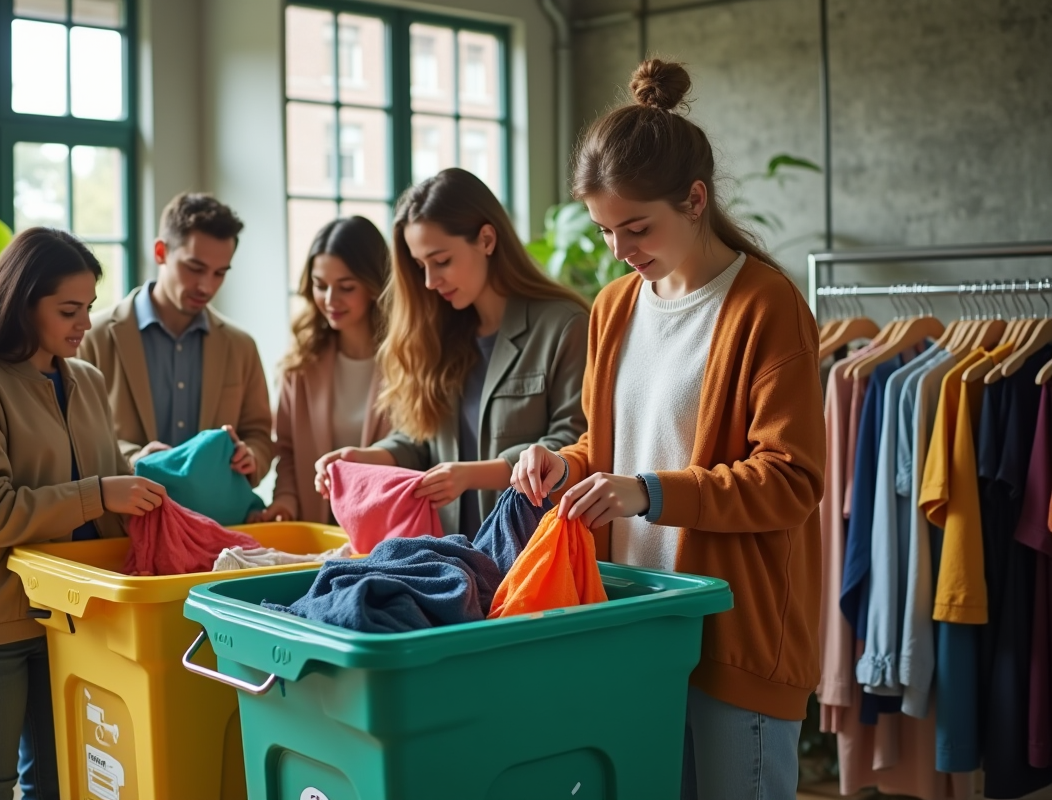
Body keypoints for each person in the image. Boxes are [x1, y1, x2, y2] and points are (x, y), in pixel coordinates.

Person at [511, 59, 825, 799]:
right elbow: (609, 448)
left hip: (734, 636)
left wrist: (646, 492)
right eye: (604, 229)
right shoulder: (616, 308)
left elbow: (791, 481)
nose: (619, 250)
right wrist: (565, 465)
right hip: (636, 625)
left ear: (694, 200)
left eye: (636, 227)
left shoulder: (765, 306)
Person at [0, 228, 166, 800]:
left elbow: (98, 467)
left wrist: (155, 466)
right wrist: (102, 491)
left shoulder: (86, 380)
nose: (85, 324)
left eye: (89, 309)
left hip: (69, 616)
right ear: (22, 305)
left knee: (58, 784)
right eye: (68, 310)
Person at [315, 167, 590, 537]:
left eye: (441, 261)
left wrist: (470, 474)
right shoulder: (438, 333)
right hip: (451, 557)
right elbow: (418, 436)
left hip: (532, 552)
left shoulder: (564, 325)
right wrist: (367, 457)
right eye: (420, 266)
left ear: (487, 239)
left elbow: (574, 443)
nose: (429, 281)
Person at [78, 191, 272, 487]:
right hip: (122, 521)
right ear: (160, 252)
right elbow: (76, 435)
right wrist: (134, 459)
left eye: (220, 273)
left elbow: (259, 434)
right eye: (194, 268)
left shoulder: (241, 346)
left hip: (212, 522)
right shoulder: (92, 337)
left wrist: (251, 456)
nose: (206, 286)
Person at [254, 216, 392, 524]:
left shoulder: (408, 362)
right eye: (320, 286)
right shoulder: (301, 363)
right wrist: (285, 499)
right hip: (318, 532)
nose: (330, 300)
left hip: (388, 533)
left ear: (373, 286)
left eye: (345, 287)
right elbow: (287, 450)